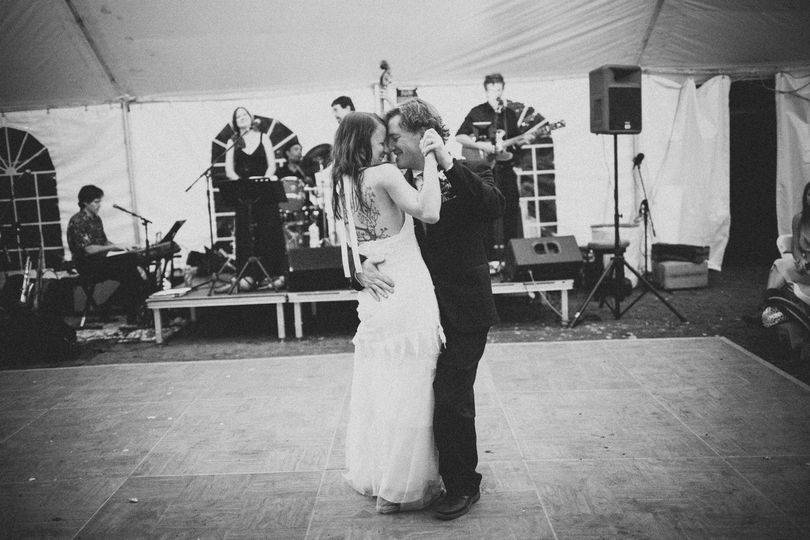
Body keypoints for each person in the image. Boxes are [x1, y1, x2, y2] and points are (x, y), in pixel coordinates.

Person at [359, 98, 505, 520]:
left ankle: (463, 486)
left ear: (424, 134)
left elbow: (493, 207)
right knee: (418, 398)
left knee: (451, 397)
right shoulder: (394, 181)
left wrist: (444, 159)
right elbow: (369, 237)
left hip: (464, 306)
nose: (388, 148)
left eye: (394, 138)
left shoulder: (470, 167)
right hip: (416, 311)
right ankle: (422, 478)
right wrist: (360, 267)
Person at [335, 111, 444, 514]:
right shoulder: (382, 174)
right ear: (363, 143)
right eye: (381, 140)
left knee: (380, 389)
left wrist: (359, 270)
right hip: (408, 290)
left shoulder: (339, 181)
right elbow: (427, 211)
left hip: (375, 298)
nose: (387, 147)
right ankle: (399, 487)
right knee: (414, 387)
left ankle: (381, 476)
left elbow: (348, 246)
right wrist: (431, 158)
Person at [456, 73, 530, 261]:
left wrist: (517, 146)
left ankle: (512, 259)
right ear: (486, 91)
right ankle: (487, 259)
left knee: (511, 210)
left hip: (505, 170)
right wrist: (482, 146)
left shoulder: (509, 115)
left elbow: (515, 142)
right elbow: (459, 137)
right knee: (485, 210)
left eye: (499, 89)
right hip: (484, 170)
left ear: (503, 90)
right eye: (492, 90)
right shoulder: (477, 112)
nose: (495, 93)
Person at [223, 107, 287, 290]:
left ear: (251, 118)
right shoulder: (232, 141)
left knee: (269, 231)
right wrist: (244, 185)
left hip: (264, 192)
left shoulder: (263, 137)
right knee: (246, 233)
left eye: (245, 115)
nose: (242, 118)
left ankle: (274, 274)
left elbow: (271, 165)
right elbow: (229, 170)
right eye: (238, 116)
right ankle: (249, 274)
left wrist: (261, 181)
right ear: (235, 122)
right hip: (245, 195)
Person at [66, 185, 147, 324]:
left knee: (131, 271)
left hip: (100, 263)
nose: (99, 205)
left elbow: (104, 243)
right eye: (96, 202)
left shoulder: (96, 219)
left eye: (99, 202)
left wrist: (125, 247)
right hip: (86, 266)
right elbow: (88, 249)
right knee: (130, 271)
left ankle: (115, 309)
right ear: (85, 202)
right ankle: (120, 310)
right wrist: (114, 246)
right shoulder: (77, 221)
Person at [767, 182, 810, 290]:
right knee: (779, 264)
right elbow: (795, 247)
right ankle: (768, 302)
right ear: (805, 198)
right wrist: (800, 260)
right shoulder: (799, 219)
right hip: (806, 268)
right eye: (809, 195)